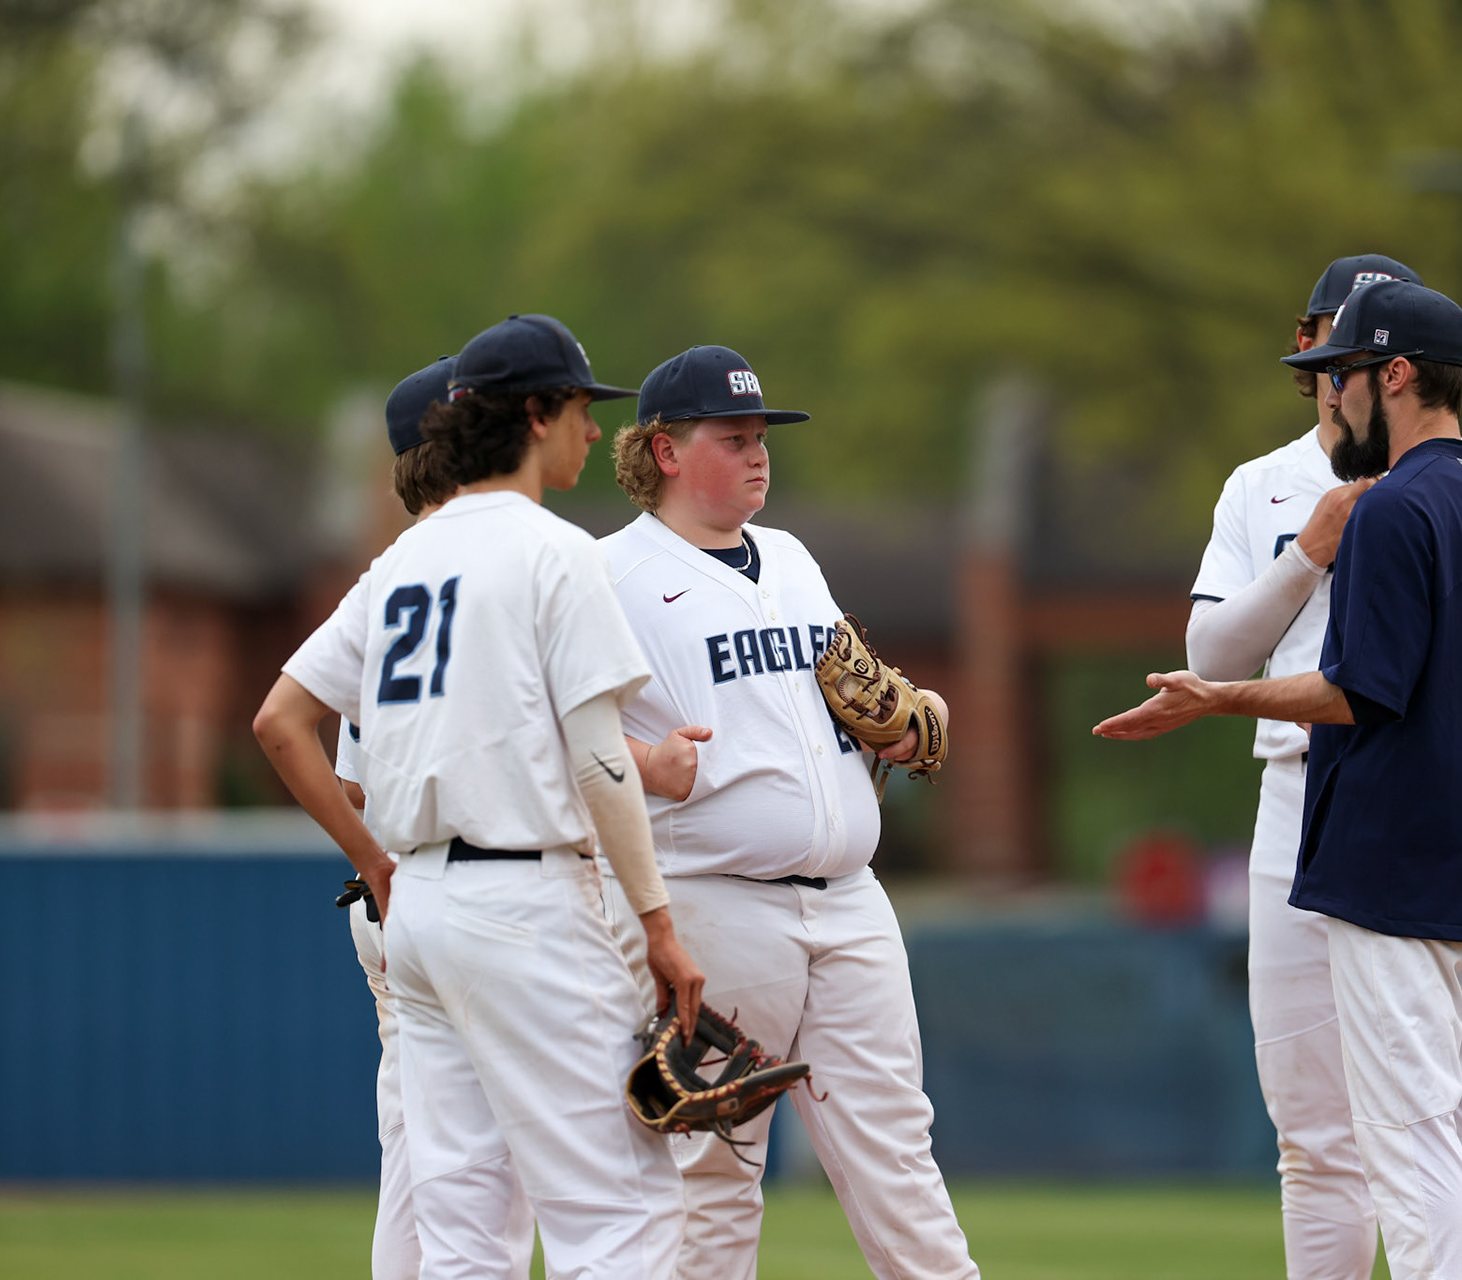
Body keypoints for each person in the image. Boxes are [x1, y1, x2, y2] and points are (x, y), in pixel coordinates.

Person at [1096, 282, 1462, 1280]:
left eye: (1342, 373)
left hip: (1388, 852)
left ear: (1393, 374)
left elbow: (1365, 690)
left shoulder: (1392, 505)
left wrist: (1218, 701)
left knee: (1408, 1136)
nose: (1328, 395)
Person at [254, 314, 702, 1280]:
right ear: (535, 413)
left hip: (417, 914)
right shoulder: (554, 552)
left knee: (458, 1236)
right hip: (524, 904)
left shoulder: (403, 558)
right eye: (582, 408)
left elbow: (280, 723)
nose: (593, 430)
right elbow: (601, 764)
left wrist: (375, 862)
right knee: (621, 1216)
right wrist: (661, 927)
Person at [597, 345, 979, 1280]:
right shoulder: (610, 576)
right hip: (714, 903)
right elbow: (558, 740)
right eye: (734, 438)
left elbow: (853, 696)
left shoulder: (797, 561)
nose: (760, 454)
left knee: (896, 1149)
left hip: (850, 898)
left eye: (762, 435)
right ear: (666, 450)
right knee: (715, 1169)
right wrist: (646, 762)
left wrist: (902, 723)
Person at [332, 356, 537, 1280]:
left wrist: (374, 869)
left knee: (424, 1161)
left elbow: (326, 760)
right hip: (457, 886)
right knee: (480, 1186)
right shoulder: (471, 575)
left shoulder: (392, 578)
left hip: (396, 892)